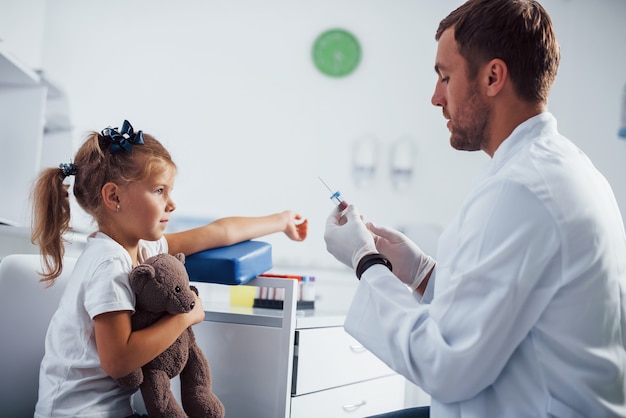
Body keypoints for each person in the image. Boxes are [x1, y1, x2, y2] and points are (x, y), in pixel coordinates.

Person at [324, 0, 626, 417]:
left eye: (445, 77)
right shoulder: (567, 168)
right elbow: (511, 307)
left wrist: (365, 261)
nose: (434, 97)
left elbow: (445, 363)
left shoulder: (520, 191)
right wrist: (422, 273)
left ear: (492, 76)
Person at [30, 120, 308, 418]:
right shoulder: (109, 262)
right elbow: (119, 360)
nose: (171, 204)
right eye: (159, 190)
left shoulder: (144, 247)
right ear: (114, 197)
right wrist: (185, 316)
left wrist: (280, 221)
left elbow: (219, 232)